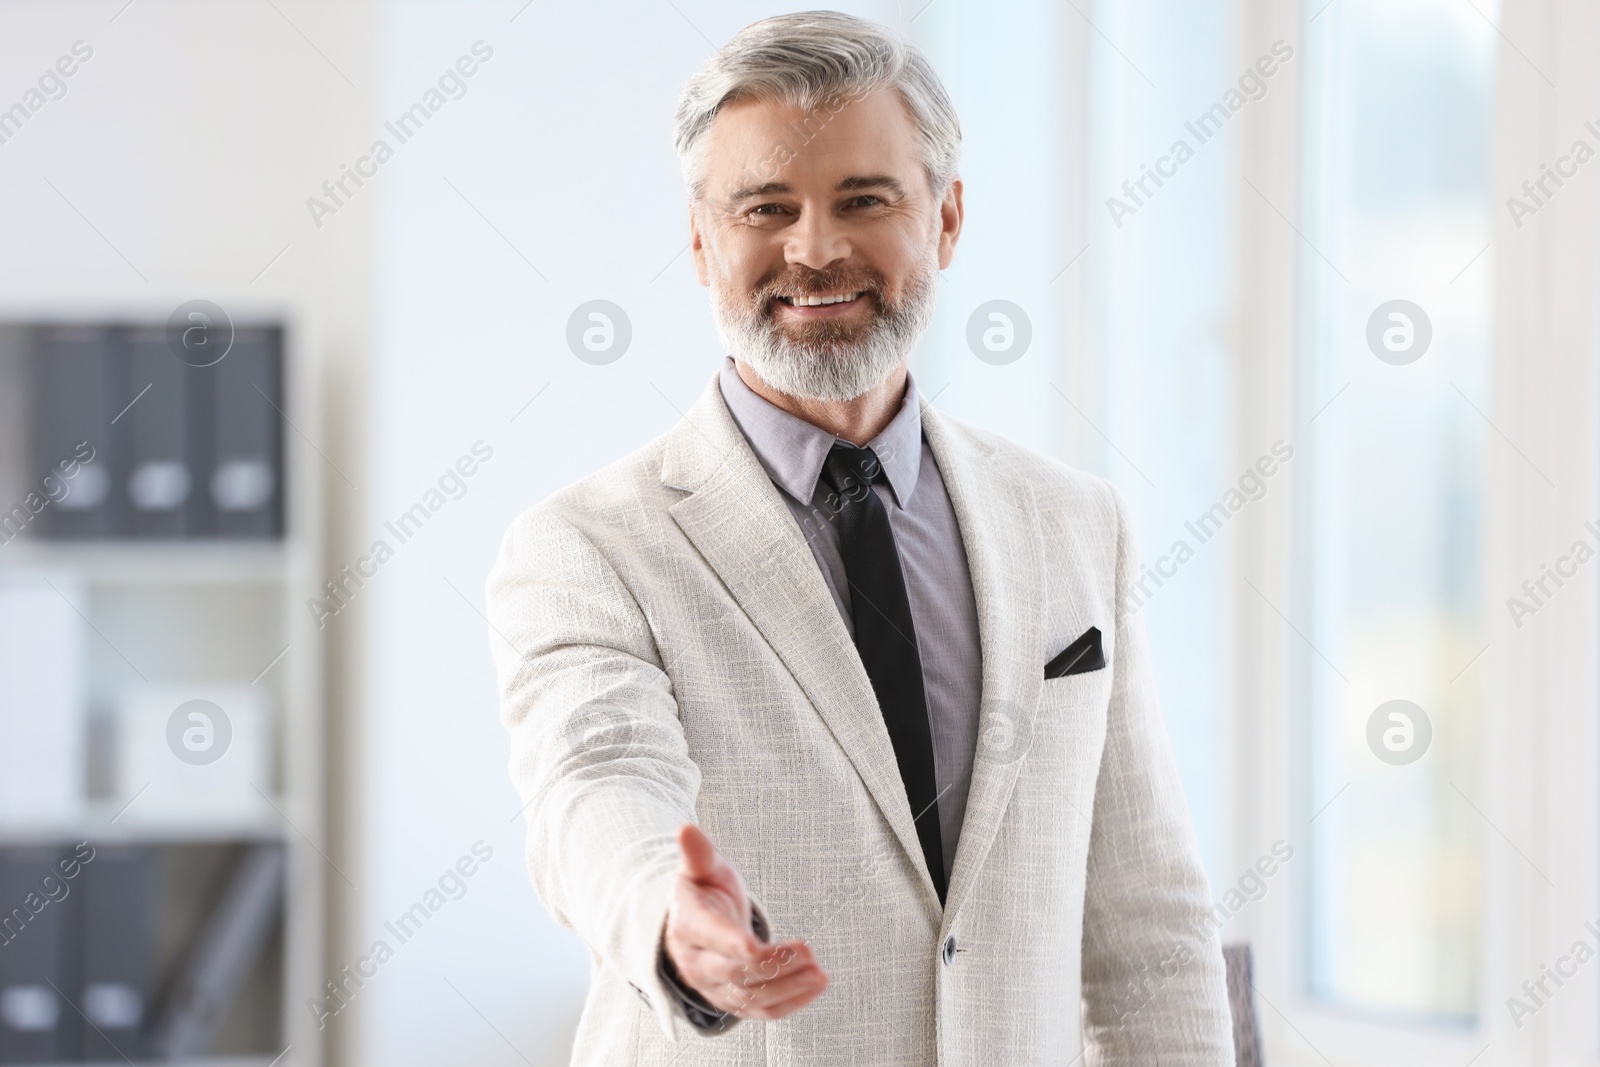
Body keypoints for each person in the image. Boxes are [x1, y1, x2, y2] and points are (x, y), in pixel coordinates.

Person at [486, 10, 1234, 1064]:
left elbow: (1145, 916)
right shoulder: (588, 545)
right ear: (701, 241)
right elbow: (592, 781)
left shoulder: (1074, 522)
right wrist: (669, 916)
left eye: (863, 199)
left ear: (947, 217)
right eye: (765, 208)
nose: (815, 248)